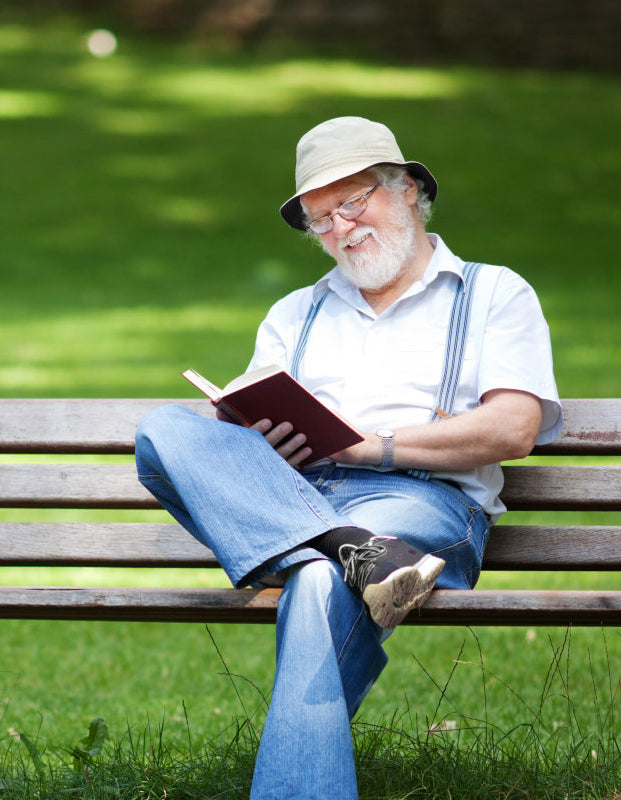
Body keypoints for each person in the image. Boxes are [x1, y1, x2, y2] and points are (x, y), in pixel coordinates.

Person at [135, 116, 563, 800]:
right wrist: (257, 437)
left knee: (310, 582)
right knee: (164, 430)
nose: (341, 227)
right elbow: (245, 419)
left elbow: (515, 426)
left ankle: (343, 551)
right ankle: (349, 550)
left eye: (353, 201)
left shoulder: (493, 294)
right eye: (320, 218)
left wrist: (373, 445)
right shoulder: (293, 313)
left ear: (410, 192)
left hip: (420, 502)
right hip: (304, 497)